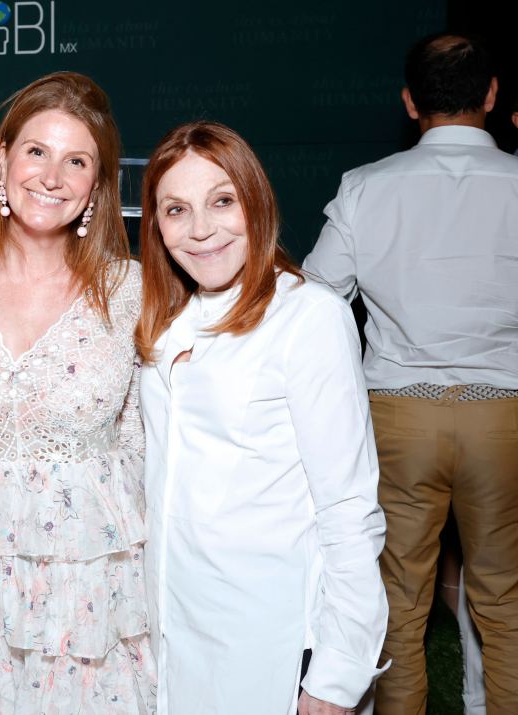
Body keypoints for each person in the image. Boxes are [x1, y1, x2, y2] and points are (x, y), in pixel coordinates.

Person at [0, 72, 155, 713]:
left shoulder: (131, 289)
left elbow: (147, 437)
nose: (52, 177)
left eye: (76, 160)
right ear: (3, 159)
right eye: (36, 151)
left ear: (97, 186)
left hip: (93, 594)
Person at [137, 121, 388, 715]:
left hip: (270, 641)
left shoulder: (309, 319)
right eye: (176, 210)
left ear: (255, 201)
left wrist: (339, 672)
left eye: (222, 201)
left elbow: (349, 507)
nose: (201, 230)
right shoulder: (167, 325)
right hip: (175, 629)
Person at [303, 33, 518, 715]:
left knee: (396, 602)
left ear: (408, 102)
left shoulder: (367, 188)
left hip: (397, 416)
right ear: (490, 96)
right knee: (506, 598)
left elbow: (314, 299)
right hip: (505, 417)